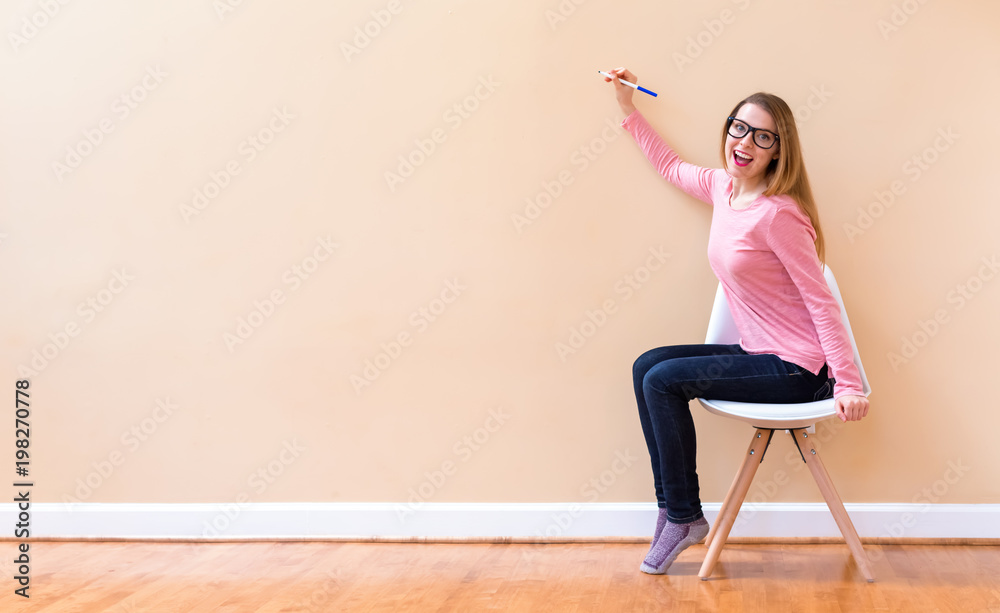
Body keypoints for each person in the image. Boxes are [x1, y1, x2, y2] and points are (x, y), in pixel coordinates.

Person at [603, 67, 870, 575]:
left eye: (763, 136)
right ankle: (673, 507)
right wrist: (627, 107)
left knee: (663, 381)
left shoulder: (779, 214)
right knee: (646, 366)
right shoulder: (724, 189)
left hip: (799, 371)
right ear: (728, 130)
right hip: (758, 353)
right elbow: (670, 166)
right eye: (739, 127)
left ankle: (684, 516)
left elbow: (821, 301)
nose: (745, 142)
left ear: (778, 150)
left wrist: (849, 382)